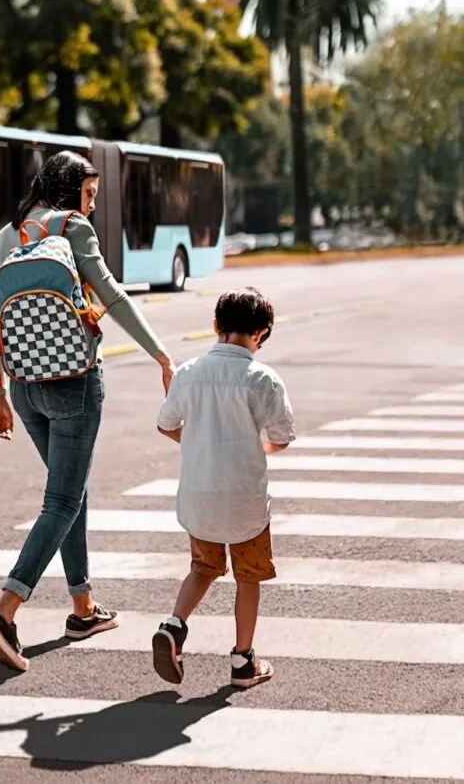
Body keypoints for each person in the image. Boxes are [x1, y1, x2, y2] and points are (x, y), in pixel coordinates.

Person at [0, 150, 176, 672]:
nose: (92, 204)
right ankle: (4, 612)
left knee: (72, 491)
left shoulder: (6, 235)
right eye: (88, 194)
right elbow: (110, 294)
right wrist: (160, 353)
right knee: (62, 500)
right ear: (68, 190)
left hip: (24, 387)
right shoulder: (73, 229)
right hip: (75, 383)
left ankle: (83, 609)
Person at [150, 287, 295, 689]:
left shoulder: (189, 373)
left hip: (200, 495)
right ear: (262, 333)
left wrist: (197, 441)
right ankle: (243, 659)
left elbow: (167, 424)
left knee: (202, 568)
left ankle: (175, 625)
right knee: (247, 576)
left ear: (215, 326)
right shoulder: (263, 379)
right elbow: (281, 436)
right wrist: (261, 446)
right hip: (244, 500)